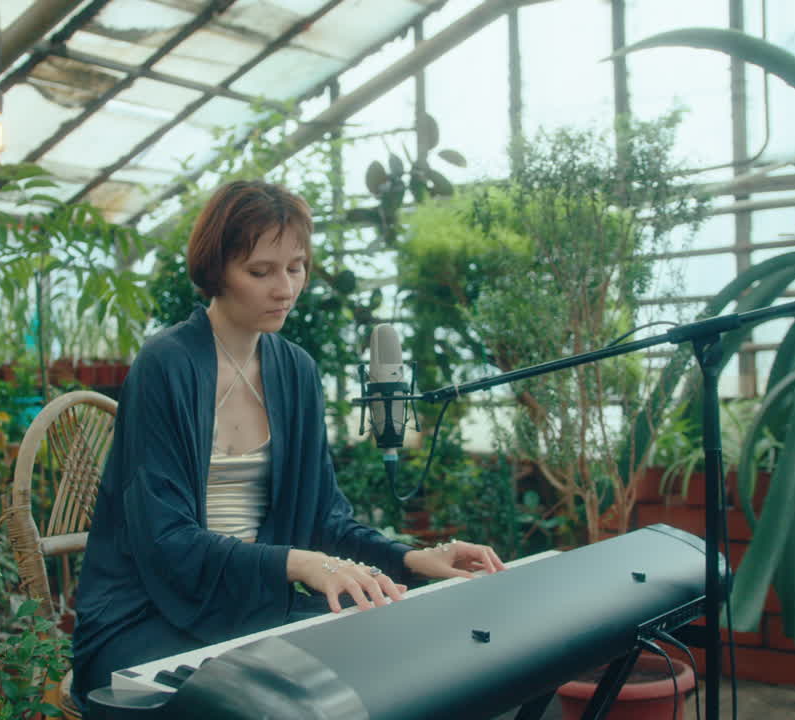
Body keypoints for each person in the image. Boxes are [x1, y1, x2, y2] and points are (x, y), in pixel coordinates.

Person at [71, 179, 506, 707]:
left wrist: (414, 559)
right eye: (261, 271)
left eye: (295, 267)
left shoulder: (294, 370)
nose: (286, 288)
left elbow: (326, 519)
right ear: (217, 271)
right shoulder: (166, 364)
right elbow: (165, 539)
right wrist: (296, 564)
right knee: (264, 705)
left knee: (399, 662)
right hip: (146, 615)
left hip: (250, 607)